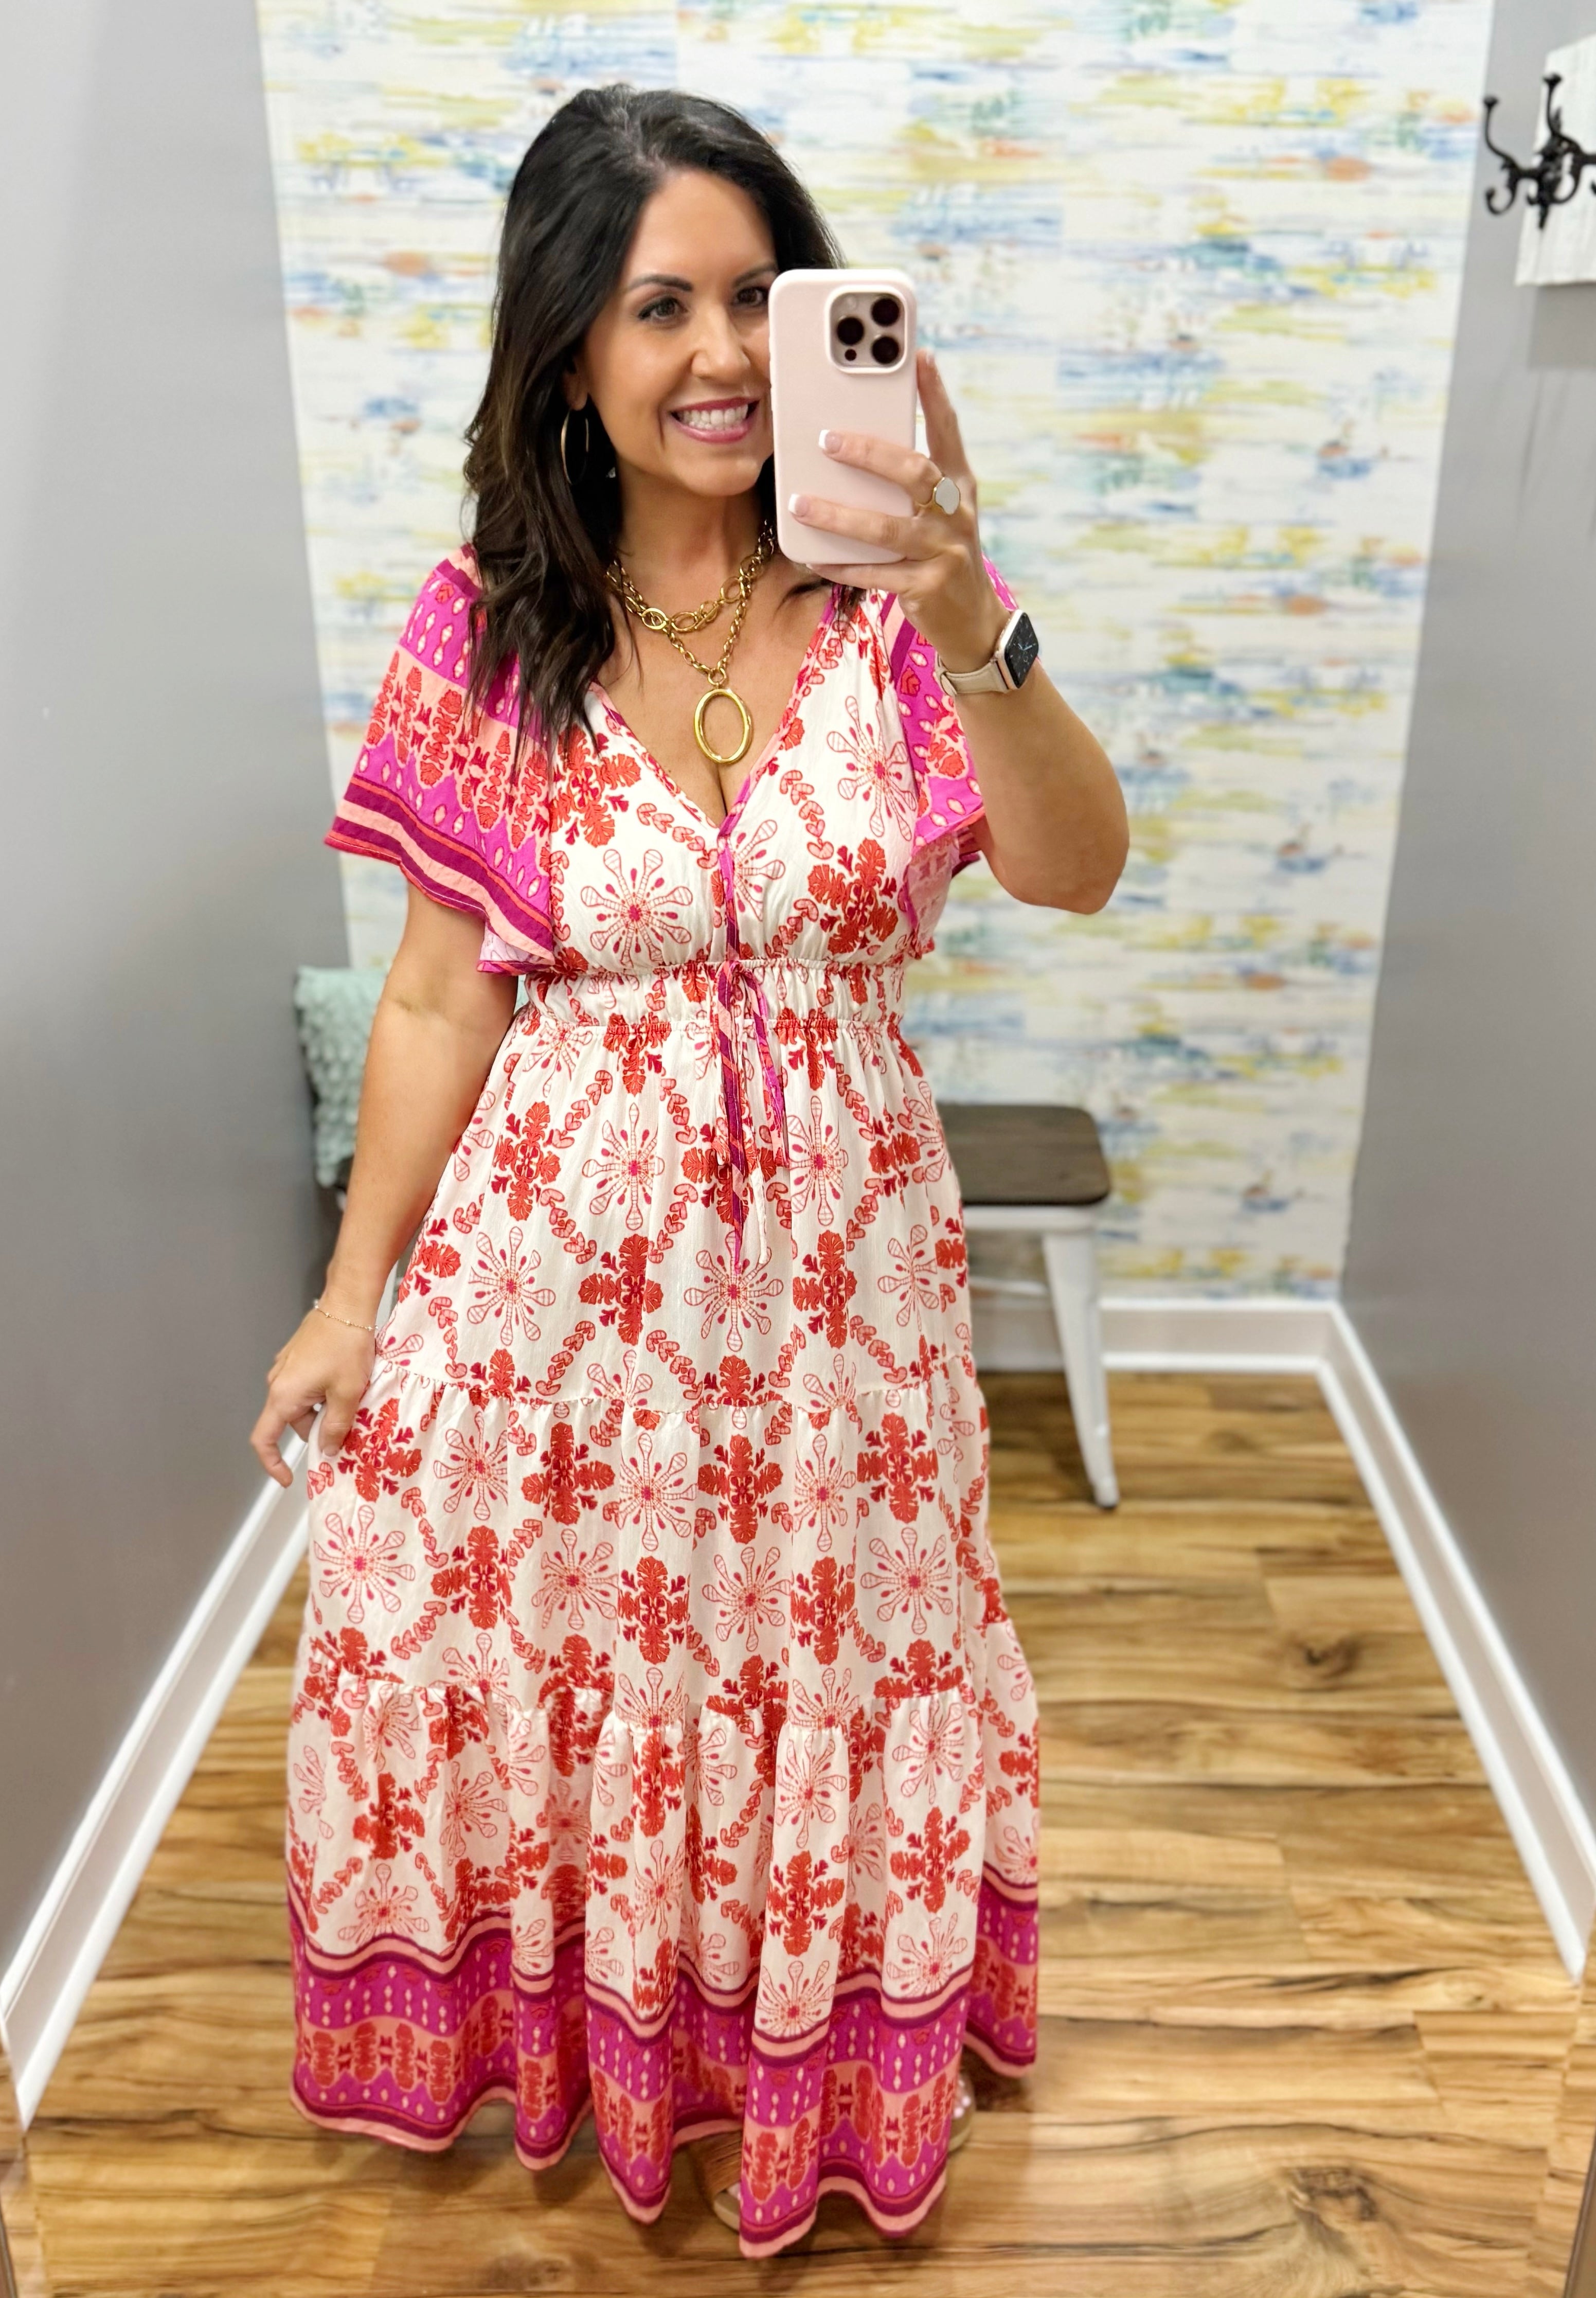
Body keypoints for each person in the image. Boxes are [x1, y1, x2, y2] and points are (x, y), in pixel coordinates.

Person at [250, 83, 1126, 2259]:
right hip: (564, 1304)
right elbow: (437, 999)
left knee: (832, 1663)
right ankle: (618, 2056)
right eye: (663, 306)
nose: (726, 351)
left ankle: (805, 2058)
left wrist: (974, 603)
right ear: (571, 352)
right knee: (590, 1673)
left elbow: (1075, 866)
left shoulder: (894, 609)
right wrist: (352, 1295)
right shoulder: (488, 625)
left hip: (846, 1297)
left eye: (760, 294)